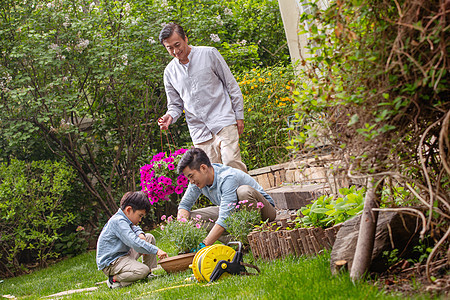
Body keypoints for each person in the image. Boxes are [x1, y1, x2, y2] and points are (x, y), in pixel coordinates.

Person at [157, 22, 247, 173]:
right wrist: (169, 116)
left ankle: (247, 197)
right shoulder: (169, 72)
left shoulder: (209, 54)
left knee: (232, 163)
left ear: (185, 38)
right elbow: (175, 104)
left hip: (223, 119)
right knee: (213, 175)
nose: (175, 50)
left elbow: (231, 84)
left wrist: (239, 115)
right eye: (169, 48)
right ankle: (229, 198)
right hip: (199, 132)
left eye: (177, 45)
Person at [176, 148, 276, 246]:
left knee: (244, 192)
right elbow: (184, 205)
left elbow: (225, 217)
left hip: (265, 211)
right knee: (192, 218)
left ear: (203, 168)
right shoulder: (197, 182)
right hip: (236, 213)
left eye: (191, 176)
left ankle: (253, 236)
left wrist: (204, 244)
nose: (191, 181)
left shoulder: (227, 177)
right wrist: (182, 231)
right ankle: (241, 243)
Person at [96, 191, 168, 289]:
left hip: (123, 255)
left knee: (149, 237)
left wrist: (141, 234)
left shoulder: (125, 218)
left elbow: (135, 227)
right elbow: (134, 242)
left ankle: (148, 274)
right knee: (142, 270)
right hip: (112, 262)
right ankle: (114, 279)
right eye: (140, 215)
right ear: (129, 210)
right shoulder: (118, 221)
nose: (140, 220)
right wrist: (157, 250)